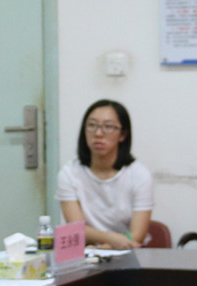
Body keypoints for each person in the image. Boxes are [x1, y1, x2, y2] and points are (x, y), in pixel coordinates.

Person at [56, 99, 153, 249]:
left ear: (123, 134)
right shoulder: (69, 173)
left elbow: (136, 236)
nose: (98, 133)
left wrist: (110, 247)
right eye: (92, 125)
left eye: (108, 127)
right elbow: (76, 229)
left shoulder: (139, 175)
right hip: (86, 252)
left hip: (128, 251)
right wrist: (112, 239)